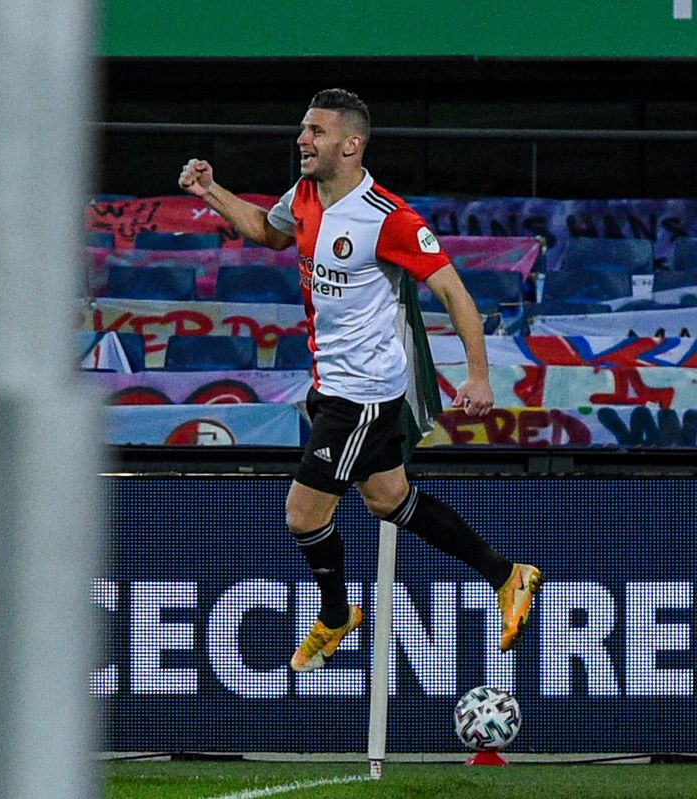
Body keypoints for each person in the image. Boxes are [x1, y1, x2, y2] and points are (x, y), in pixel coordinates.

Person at [178, 89, 542, 672]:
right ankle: (508, 575)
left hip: (364, 397)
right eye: (303, 129)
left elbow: (455, 292)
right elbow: (267, 232)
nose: (303, 140)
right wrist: (211, 192)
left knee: (302, 515)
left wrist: (478, 374)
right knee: (389, 499)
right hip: (330, 384)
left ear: (350, 145)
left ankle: (337, 612)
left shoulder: (388, 218)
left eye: (316, 132)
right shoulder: (303, 195)